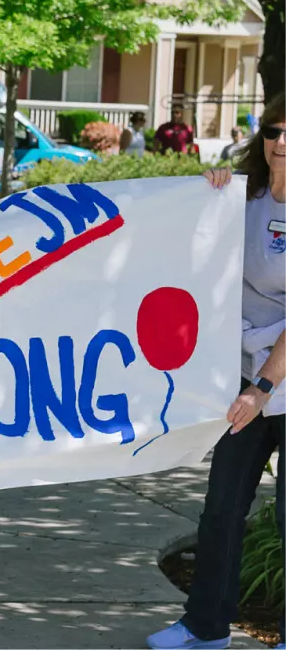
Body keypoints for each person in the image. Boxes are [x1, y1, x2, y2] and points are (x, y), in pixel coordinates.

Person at [147, 95, 285, 650]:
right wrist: (207, 196)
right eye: (274, 130)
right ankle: (205, 627)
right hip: (243, 380)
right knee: (223, 510)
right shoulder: (243, 200)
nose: (282, 142)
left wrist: (264, 387)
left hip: (270, 381)